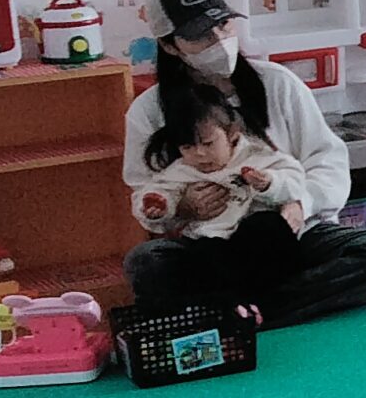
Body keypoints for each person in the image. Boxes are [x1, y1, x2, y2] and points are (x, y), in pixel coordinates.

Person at [121, 0, 366, 324]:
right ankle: (269, 304)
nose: (219, 41)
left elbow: (326, 160)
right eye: (201, 35)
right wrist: (182, 207)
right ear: (170, 46)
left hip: (292, 235)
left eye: (224, 25)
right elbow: (146, 192)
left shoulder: (277, 83)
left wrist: (301, 205)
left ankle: (242, 312)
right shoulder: (149, 111)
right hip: (213, 245)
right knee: (146, 263)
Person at [131, 85, 311, 303]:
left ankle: (281, 297)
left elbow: (295, 182)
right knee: (163, 258)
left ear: (232, 133)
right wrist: (160, 206)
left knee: (267, 225)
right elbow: (159, 191)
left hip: (256, 244)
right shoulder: (181, 170)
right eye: (187, 147)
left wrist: (269, 183)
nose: (199, 154)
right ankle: (234, 304)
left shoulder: (257, 156)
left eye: (208, 144)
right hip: (212, 243)